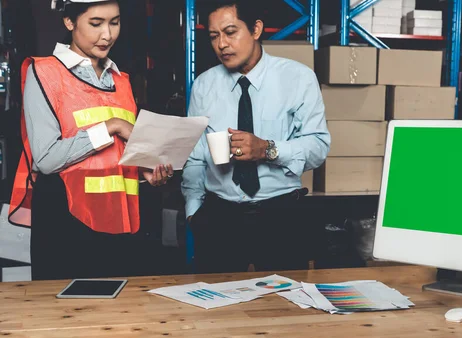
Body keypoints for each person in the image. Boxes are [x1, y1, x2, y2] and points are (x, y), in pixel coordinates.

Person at [8, 0, 173, 280]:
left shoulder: (122, 80)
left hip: (122, 220)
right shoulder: (45, 72)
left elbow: (119, 155)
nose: (107, 34)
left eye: (115, 22)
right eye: (96, 24)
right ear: (69, 22)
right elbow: (46, 159)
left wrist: (148, 174)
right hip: (66, 222)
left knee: (122, 318)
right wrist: (110, 126)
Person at [182, 0, 330, 273]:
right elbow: (194, 156)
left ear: (256, 29)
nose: (222, 44)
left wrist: (267, 150)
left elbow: (318, 146)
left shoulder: (298, 78)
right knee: (214, 309)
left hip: (281, 215)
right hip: (219, 218)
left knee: (283, 309)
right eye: (214, 36)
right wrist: (194, 211)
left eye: (230, 32)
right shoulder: (204, 85)